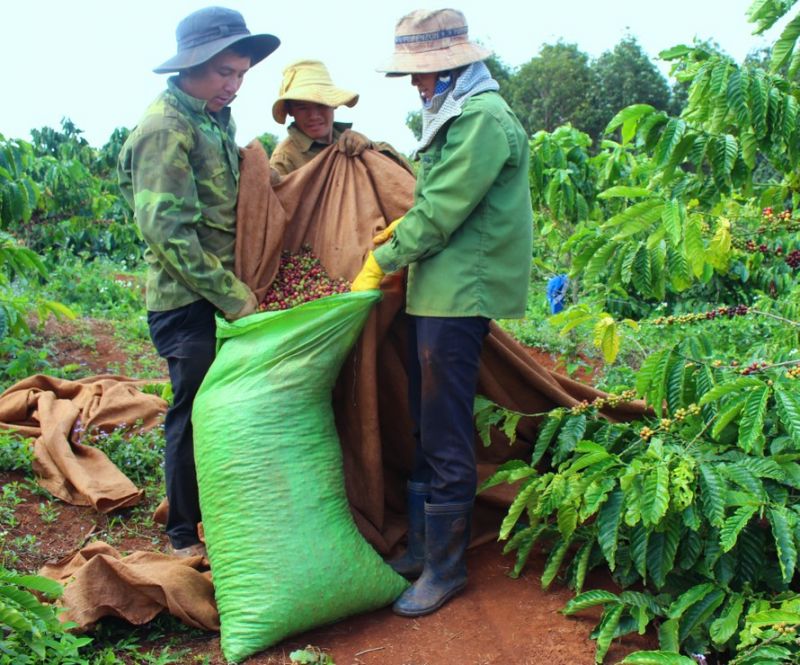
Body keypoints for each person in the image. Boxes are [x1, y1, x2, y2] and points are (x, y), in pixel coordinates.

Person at [352, 8, 533, 616]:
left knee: (446, 425)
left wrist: (383, 256)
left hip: (460, 296)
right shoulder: (455, 114)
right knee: (426, 422)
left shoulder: (482, 118)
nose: (416, 84)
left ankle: (446, 568)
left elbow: (442, 211)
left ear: (452, 66)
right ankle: (426, 550)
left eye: (422, 73)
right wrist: (398, 247)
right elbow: (431, 202)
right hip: (436, 289)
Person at [118, 7, 280, 558]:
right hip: (186, 301)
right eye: (223, 74)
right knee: (193, 413)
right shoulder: (167, 128)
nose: (233, 86)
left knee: (228, 408)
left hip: (220, 293)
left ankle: (226, 512)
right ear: (191, 66)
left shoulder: (215, 117)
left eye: (240, 74)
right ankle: (183, 533)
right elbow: (168, 232)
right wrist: (234, 297)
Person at [270, 59, 411, 175]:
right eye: (302, 107)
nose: (313, 116)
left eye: (321, 105)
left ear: (334, 104)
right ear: (290, 111)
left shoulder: (351, 141)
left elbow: (402, 176)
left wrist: (369, 148)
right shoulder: (284, 159)